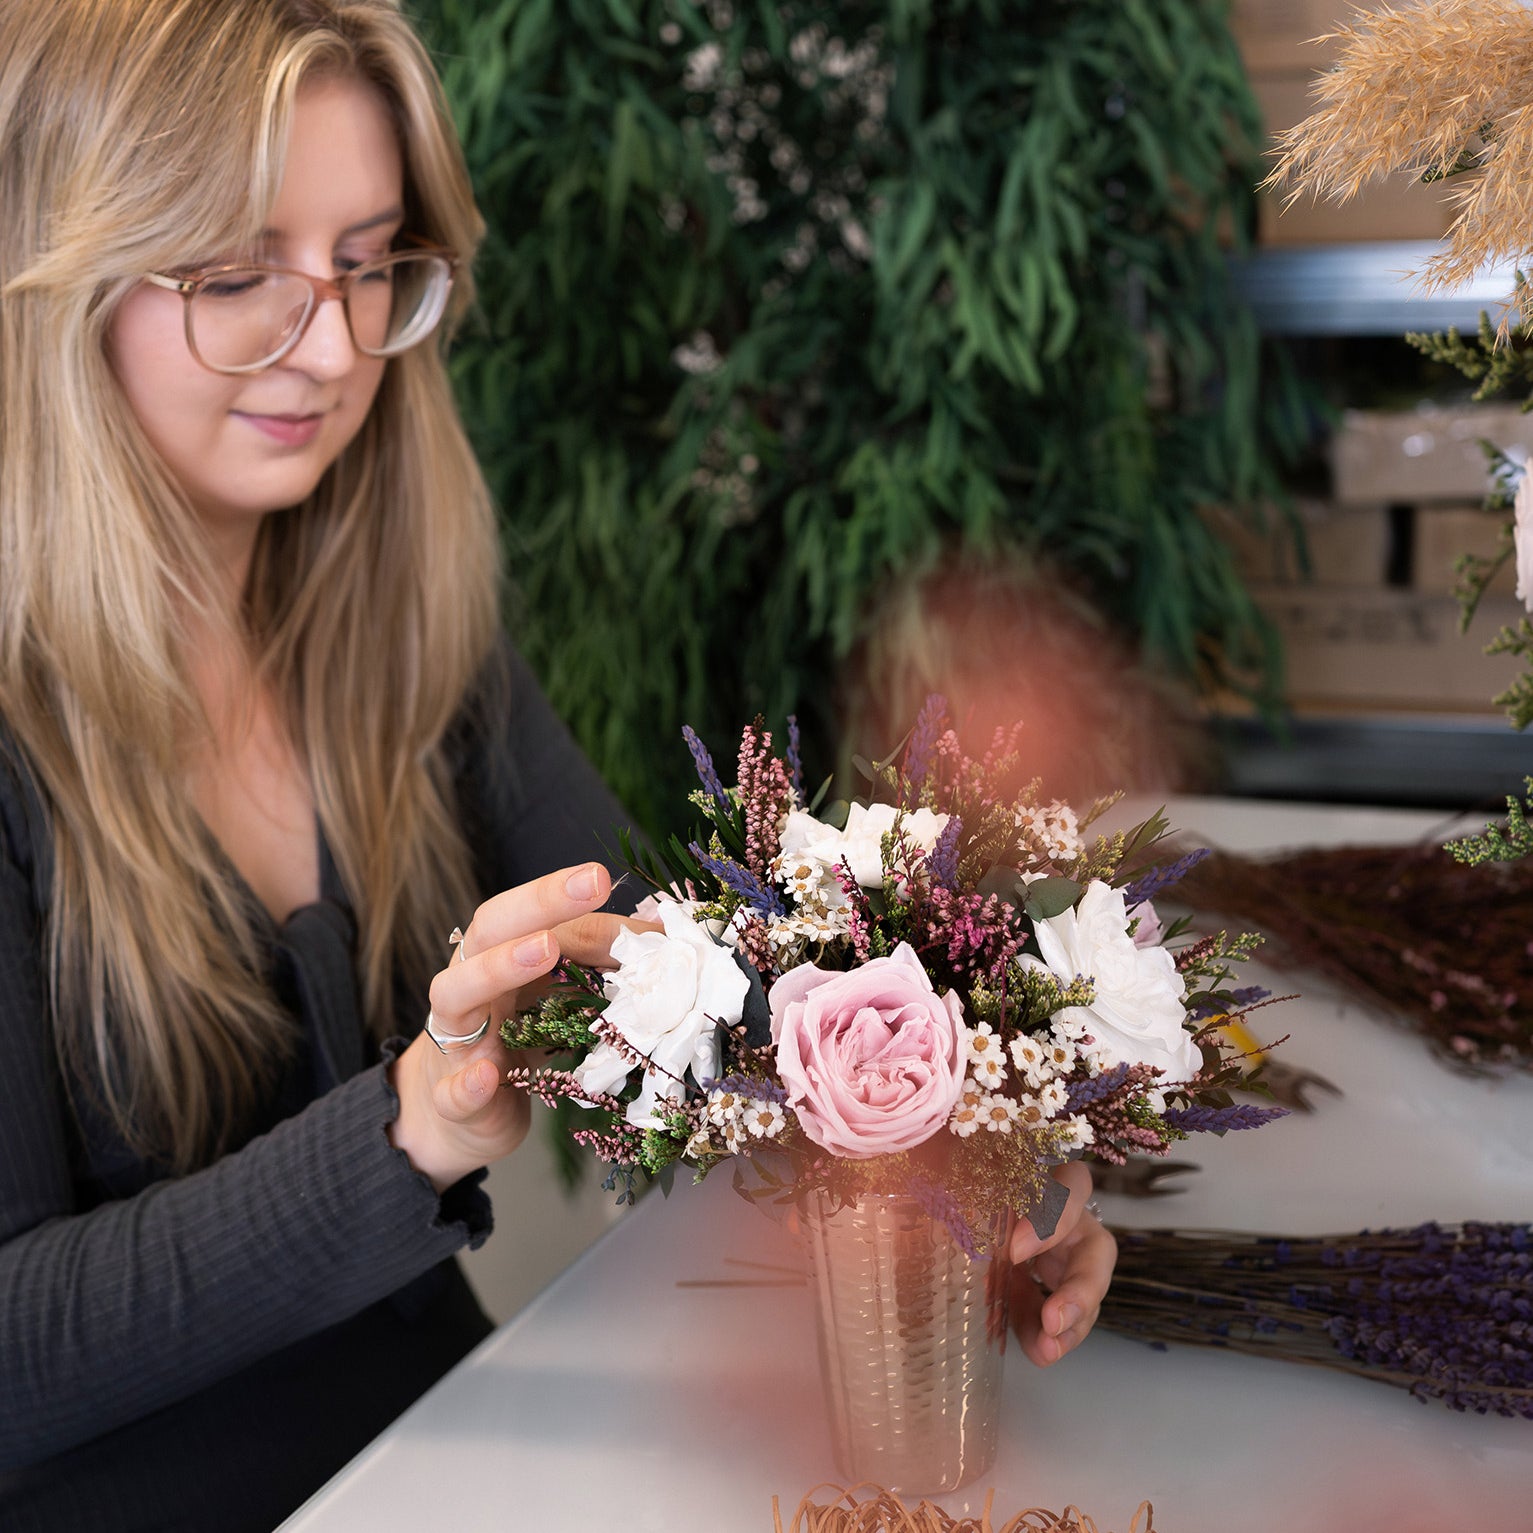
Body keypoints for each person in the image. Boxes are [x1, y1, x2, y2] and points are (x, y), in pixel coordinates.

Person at [0, 3, 1114, 1528]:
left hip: (447, 1457)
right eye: (234, 272)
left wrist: (984, 1163)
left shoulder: (406, 636)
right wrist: (413, 1128)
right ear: (51, 282)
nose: (329, 345)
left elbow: (702, 982)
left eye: (366, 260)